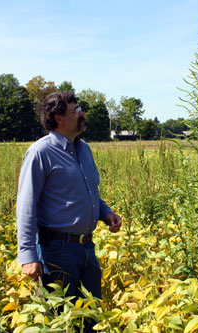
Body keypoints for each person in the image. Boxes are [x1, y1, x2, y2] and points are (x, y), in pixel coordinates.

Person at [16, 91, 122, 302]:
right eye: (76, 111)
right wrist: (28, 256)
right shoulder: (40, 152)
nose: (82, 114)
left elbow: (89, 192)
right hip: (56, 250)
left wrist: (106, 213)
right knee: (61, 316)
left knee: (91, 315)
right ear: (59, 118)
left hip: (87, 248)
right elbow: (27, 206)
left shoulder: (84, 149)